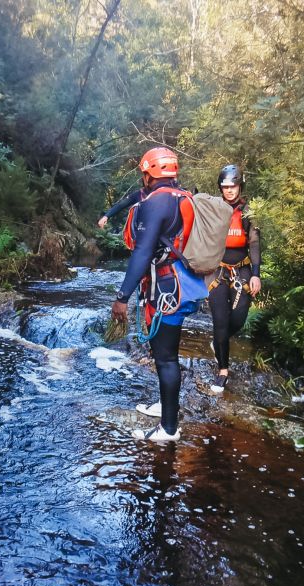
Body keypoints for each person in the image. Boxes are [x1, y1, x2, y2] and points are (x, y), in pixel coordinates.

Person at [111, 147, 206, 442]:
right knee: (163, 354)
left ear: (149, 172)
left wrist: (122, 297)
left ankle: (168, 428)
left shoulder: (157, 201)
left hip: (166, 288)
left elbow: (142, 251)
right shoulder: (182, 197)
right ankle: (165, 408)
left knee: (166, 358)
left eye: (144, 172)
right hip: (180, 281)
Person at [207, 164, 261, 393]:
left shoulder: (248, 212)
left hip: (242, 270)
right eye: (225, 187)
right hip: (217, 271)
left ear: (240, 186)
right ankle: (223, 371)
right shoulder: (215, 209)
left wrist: (256, 275)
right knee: (220, 320)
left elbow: (255, 244)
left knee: (237, 319)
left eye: (233, 186)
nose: (229, 191)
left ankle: (218, 341)